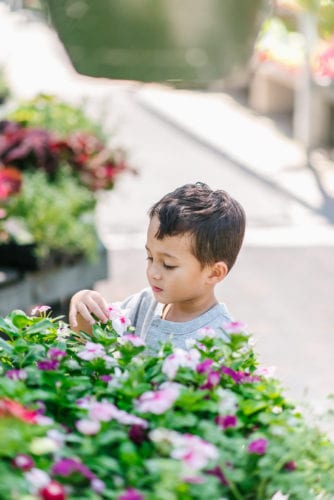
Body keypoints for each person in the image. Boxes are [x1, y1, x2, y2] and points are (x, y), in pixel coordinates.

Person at [69, 182, 246, 352]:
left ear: (214, 273)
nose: (153, 273)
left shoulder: (225, 341)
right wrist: (81, 303)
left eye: (168, 265)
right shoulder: (144, 304)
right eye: (150, 257)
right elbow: (92, 345)